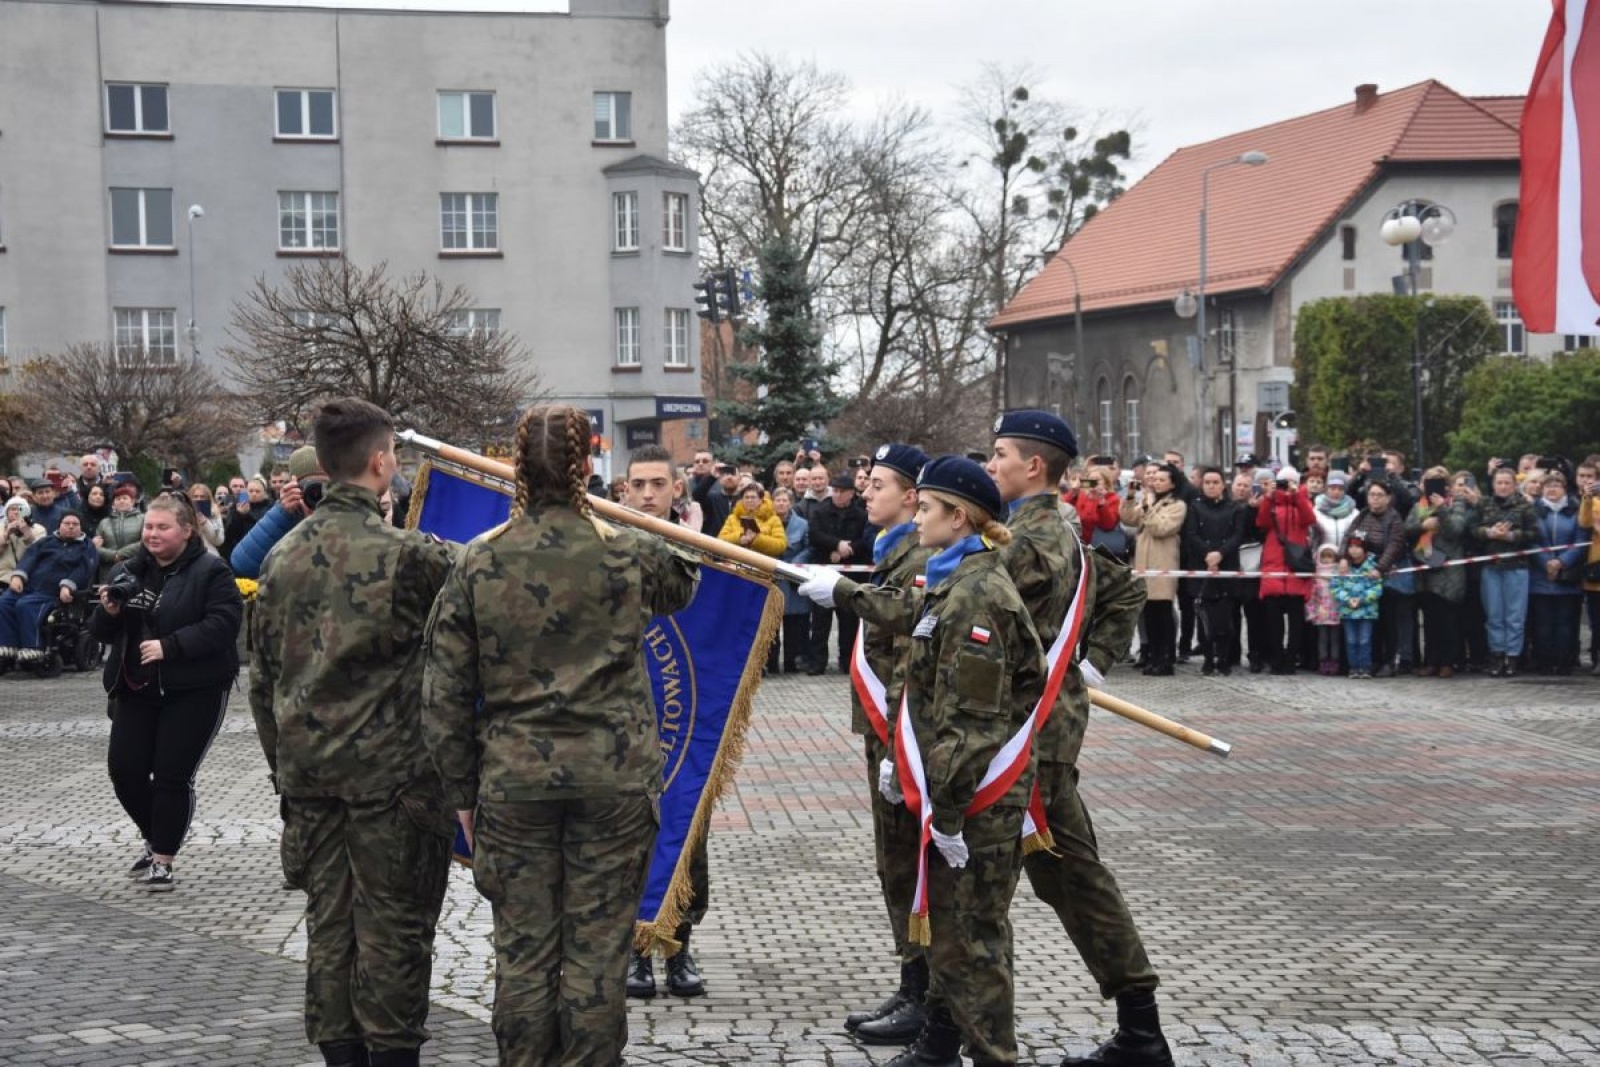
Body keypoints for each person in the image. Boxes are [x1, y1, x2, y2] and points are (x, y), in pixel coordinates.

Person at [422, 405, 699, 1067]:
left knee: (523, 953)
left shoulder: (480, 561)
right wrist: (677, 531)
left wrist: (463, 790)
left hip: (514, 786)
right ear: (586, 467)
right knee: (598, 955)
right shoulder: (627, 549)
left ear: (518, 467)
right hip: (614, 784)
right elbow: (682, 584)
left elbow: (443, 693)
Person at [799, 455, 1047, 1067]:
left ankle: (994, 1056)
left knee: (976, 944)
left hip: (978, 797)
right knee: (957, 938)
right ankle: (942, 1045)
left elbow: (972, 720)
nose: (920, 518)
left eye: (929, 509)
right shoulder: (955, 581)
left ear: (958, 518)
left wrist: (950, 812)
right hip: (955, 787)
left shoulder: (977, 596)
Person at [250, 399, 458, 1067]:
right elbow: (494, 587)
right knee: (394, 938)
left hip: (310, 784)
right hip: (392, 790)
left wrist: (284, 770)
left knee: (330, 936)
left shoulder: (281, 558)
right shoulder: (410, 556)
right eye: (394, 454)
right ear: (378, 462)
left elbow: (261, 683)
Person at [979, 412, 1166, 1067]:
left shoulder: (1025, 542)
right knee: (1075, 878)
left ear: (1035, 465)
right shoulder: (1062, 531)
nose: (990, 464)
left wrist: (1087, 662)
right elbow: (1124, 590)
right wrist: (1090, 665)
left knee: (979, 889)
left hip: (1018, 741)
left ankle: (954, 1033)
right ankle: (1141, 1026)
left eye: (999, 454)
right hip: (1045, 734)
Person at [833, 443, 934, 1046]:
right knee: (893, 865)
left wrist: (900, 747)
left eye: (880, 485)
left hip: (906, 735)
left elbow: (909, 650)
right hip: (888, 733)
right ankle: (913, 983)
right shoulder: (891, 549)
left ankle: (924, 996)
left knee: (906, 865)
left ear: (912, 496)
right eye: (867, 484)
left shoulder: (919, 555)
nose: (867, 492)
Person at [91, 494, 242, 890]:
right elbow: (100, 633)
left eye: (162, 527)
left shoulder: (212, 571)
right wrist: (107, 612)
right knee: (126, 772)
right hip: (135, 687)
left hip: (193, 688)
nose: (153, 534)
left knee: (172, 777)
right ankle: (155, 835)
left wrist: (170, 646)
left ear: (186, 531)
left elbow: (224, 625)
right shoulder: (129, 569)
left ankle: (163, 860)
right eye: (149, 527)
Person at [618, 444, 714, 1001]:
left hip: (681, 719)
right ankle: (633, 952)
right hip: (621, 723)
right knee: (627, 838)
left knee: (685, 831)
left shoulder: (697, 549)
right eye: (639, 484)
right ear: (624, 489)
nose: (648, 493)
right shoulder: (604, 545)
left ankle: (678, 946)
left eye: (658, 483)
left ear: (678, 489)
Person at [0, 511, 97, 668]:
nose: (71, 527)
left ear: (81, 527)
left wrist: (68, 585)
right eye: (67, 523)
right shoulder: (46, 541)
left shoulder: (87, 547)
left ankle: (33, 648)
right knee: (4, 602)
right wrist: (18, 576)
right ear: (60, 525)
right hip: (29, 587)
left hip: (53, 592)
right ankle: (7, 647)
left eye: (75, 524)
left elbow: (84, 569)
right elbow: (29, 558)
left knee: (25, 605)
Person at [1473, 466, 1538, 677]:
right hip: (1491, 566)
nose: (1503, 487)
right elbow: (1472, 529)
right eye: (1499, 483)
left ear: (1514, 485)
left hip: (1516, 567)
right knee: (1494, 615)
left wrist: (1511, 536)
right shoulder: (1484, 504)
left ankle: (1513, 656)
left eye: (1507, 483)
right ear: (1493, 485)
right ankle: (1497, 655)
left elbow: (1534, 533)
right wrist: (1489, 533)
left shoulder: (1524, 505)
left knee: (1515, 616)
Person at [1123, 463, 1187, 676]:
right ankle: (1152, 656)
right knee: (1149, 612)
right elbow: (1128, 518)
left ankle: (1166, 658)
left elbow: (1161, 528)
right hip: (1143, 564)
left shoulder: (1177, 505)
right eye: (1155, 479)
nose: (1156, 483)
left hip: (1162, 564)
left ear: (1172, 482)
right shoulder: (1148, 500)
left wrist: (1148, 508)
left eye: (1162, 479)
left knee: (1163, 613)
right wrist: (1131, 497)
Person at [1183, 466, 1248, 676]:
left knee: (1225, 619)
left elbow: (1237, 535)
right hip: (1202, 567)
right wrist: (1208, 554)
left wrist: (1220, 553)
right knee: (1205, 619)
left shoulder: (1234, 508)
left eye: (1215, 482)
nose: (1211, 486)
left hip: (1226, 567)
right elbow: (1191, 534)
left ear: (1223, 485)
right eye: (1207, 482)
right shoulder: (1195, 506)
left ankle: (1225, 659)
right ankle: (1208, 658)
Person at [1406, 469, 1471, 677]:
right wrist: (1422, 525)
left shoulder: (1456, 503)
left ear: (1447, 485)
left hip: (1449, 570)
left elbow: (1456, 530)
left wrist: (1442, 509)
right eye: (1428, 482)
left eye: (1439, 482)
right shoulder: (1419, 505)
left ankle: (1448, 662)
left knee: (1448, 620)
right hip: (1426, 569)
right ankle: (1431, 661)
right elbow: (1407, 530)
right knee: (1430, 620)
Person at [807, 473, 871, 675]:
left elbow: (867, 537)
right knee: (820, 621)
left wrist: (849, 548)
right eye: (834, 490)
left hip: (852, 574)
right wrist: (835, 546)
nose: (836, 494)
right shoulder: (821, 511)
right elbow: (815, 535)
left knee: (848, 621)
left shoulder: (861, 514)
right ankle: (817, 662)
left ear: (851, 493)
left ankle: (846, 661)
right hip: (824, 569)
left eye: (841, 491)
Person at [1255, 467, 1315, 674]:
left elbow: (1309, 520)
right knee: (1273, 621)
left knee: (1296, 621)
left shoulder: (1302, 500)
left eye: (1290, 482)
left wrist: (1296, 495)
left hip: (1295, 565)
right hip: (1274, 563)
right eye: (1283, 482)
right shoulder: (1272, 502)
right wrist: (1269, 498)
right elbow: (1261, 522)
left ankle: (1291, 659)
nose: (1285, 486)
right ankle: (1276, 660)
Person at [1347, 481, 1410, 677]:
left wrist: (1380, 567)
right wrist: (1343, 557)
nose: (1375, 498)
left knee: (1388, 621)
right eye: (1372, 494)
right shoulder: (1362, 515)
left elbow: (1395, 545)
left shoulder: (1394, 518)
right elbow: (1349, 538)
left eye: (1379, 495)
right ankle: (1372, 660)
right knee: (1370, 620)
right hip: (1364, 577)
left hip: (1385, 575)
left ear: (1388, 497)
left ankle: (1388, 661)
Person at [230, 448, 322, 579]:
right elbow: (242, 564)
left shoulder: (342, 510)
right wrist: (282, 512)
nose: (317, 492)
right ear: (294, 486)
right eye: (309, 485)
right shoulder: (287, 514)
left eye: (325, 485)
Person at [1527, 470, 1585, 674]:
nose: (1552, 489)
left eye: (1557, 486)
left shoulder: (1576, 511)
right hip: (1540, 575)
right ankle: (1543, 661)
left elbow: (1580, 542)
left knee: (1564, 623)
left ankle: (1563, 661)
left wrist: (1561, 562)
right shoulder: (1533, 511)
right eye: (1548, 486)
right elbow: (1531, 541)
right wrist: (1546, 563)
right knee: (1542, 623)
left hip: (1567, 576)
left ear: (1565, 489)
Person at [771, 487, 813, 674]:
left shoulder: (802, 524)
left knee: (795, 624)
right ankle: (771, 663)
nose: (781, 503)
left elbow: (809, 547)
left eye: (784, 500)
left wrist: (797, 564)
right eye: (777, 500)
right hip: (772, 576)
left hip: (793, 579)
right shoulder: (767, 523)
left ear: (790, 503)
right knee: (771, 624)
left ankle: (791, 662)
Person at [1334, 536, 1383, 678]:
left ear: (1365, 550)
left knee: (1364, 639)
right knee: (1350, 640)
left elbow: (1377, 588)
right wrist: (1347, 599)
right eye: (1351, 547)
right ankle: (1353, 667)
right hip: (1348, 611)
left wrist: (1362, 600)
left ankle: (1365, 667)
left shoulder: (1372, 567)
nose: (1354, 550)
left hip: (1366, 611)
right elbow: (1336, 587)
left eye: (1358, 547)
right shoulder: (1343, 567)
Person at [717, 481, 787, 558]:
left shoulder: (773, 519)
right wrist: (739, 538)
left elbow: (781, 545)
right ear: (742, 499)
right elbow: (720, 540)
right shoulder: (733, 518)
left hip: (762, 564)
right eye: (746, 497)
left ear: (761, 500)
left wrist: (756, 539)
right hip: (735, 563)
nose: (749, 500)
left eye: (753, 497)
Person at [94, 484, 146, 582]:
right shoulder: (104, 522)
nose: (121, 501)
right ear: (113, 503)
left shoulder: (143, 519)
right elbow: (96, 548)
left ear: (133, 501)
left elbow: (145, 542)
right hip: (108, 572)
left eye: (125, 498)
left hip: (135, 570)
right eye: (118, 499)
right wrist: (113, 556)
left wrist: (121, 554)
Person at [1305, 543, 1343, 674]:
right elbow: (1312, 596)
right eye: (1324, 557)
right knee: (1322, 639)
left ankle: (1334, 661)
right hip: (1321, 613)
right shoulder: (1316, 575)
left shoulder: (1341, 573)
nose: (1327, 560)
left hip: (1335, 612)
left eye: (1330, 557)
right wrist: (1311, 612)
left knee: (1335, 639)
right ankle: (1323, 661)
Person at [1578, 458, 1600, 675]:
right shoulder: (1592, 499)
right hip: (1596, 565)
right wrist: (1587, 498)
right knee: (1596, 620)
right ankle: (1596, 657)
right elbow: (1584, 523)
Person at [223, 476, 271, 560]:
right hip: (241, 551)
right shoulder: (237, 506)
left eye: (257, 491)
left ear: (264, 493)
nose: (254, 494)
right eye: (251, 491)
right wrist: (238, 515)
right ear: (245, 492)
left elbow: (263, 526)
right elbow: (229, 534)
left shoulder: (270, 506)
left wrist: (247, 515)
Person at [2, 495, 46, 583]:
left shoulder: (38, 529)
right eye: (13, 509)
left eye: (21, 509)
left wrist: (27, 533)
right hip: (3, 576)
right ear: (7, 513)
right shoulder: (1, 528)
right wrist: (6, 535)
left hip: (27, 575)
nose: (17, 512)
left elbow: (40, 553)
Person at [187, 484, 225, 555]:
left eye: (202, 497)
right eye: (195, 496)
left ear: (208, 499)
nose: (199, 499)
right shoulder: (185, 513)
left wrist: (205, 523)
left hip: (209, 555)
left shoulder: (214, 513)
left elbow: (219, 541)